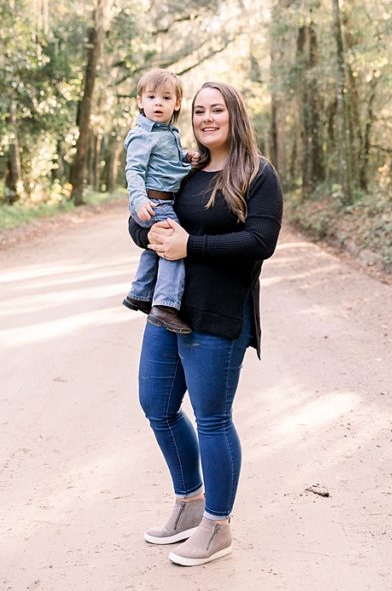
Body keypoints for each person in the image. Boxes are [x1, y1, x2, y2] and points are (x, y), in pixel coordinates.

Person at [128, 80, 282, 567]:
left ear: (235, 114)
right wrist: (147, 227)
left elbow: (260, 242)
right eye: (199, 111)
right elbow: (142, 222)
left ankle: (218, 524)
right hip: (167, 307)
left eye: (217, 109)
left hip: (219, 314)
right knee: (157, 405)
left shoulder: (257, 173)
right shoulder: (185, 169)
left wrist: (190, 246)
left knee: (213, 418)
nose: (207, 118)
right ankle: (190, 501)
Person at [122, 67, 197, 334]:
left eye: (166, 98)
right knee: (173, 247)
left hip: (161, 199)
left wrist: (186, 158)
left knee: (155, 247)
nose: (158, 103)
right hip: (153, 202)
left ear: (177, 103)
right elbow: (134, 170)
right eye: (152, 97)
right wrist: (139, 200)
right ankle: (165, 306)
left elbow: (166, 164)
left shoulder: (168, 132)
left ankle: (140, 293)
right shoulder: (142, 134)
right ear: (140, 101)